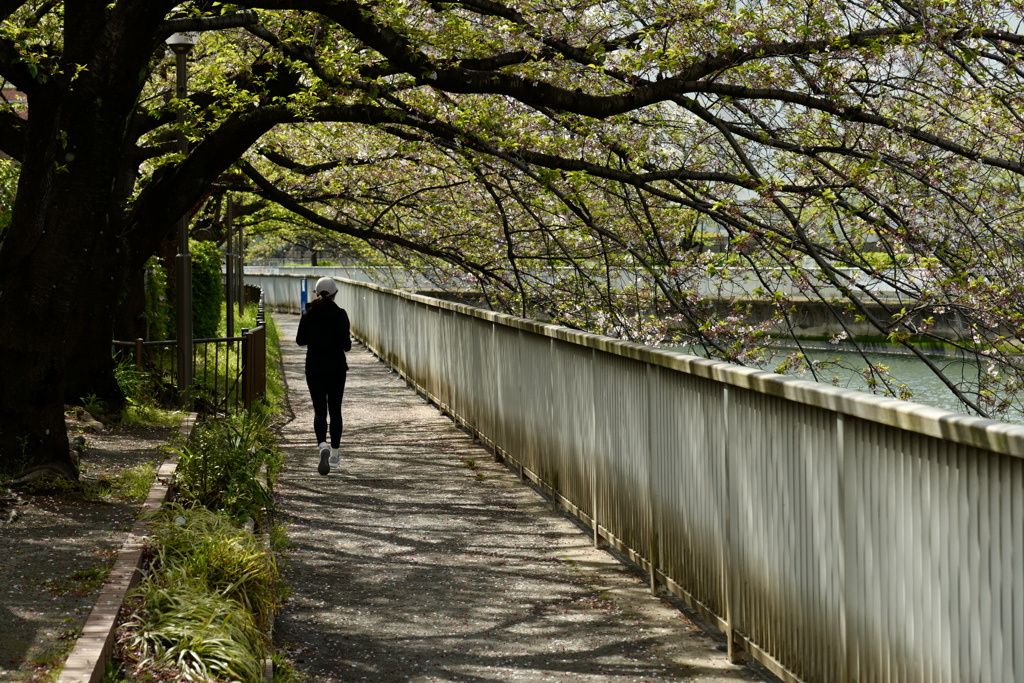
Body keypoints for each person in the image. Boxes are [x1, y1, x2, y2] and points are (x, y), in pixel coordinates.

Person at [296, 276, 352, 476]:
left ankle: (322, 446)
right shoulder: (340, 314)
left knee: (320, 411)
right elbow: (346, 345)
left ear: (317, 293)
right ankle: (335, 454)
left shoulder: (308, 314)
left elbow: (300, 341)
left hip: (314, 368)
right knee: (335, 410)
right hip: (336, 368)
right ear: (335, 294)